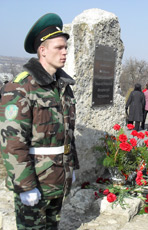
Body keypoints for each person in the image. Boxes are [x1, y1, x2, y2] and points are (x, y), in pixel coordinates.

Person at [0, 13, 79, 229]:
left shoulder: (63, 87)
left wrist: (72, 166)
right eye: (59, 48)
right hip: (35, 180)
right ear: (42, 50)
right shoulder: (21, 88)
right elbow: (12, 143)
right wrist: (25, 186)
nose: (64, 52)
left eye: (66, 48)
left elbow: (67, 132)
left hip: (58, 178)